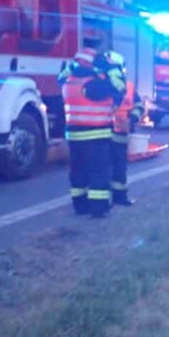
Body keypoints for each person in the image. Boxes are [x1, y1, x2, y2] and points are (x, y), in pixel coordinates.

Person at [58, 49, 125, 217]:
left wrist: (73, 67)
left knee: (78, 172)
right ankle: (99, 208)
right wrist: (111, 69)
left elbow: (60, 77)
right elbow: (119, 87)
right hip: (96, 134)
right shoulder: (93, 84)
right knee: (99, 172)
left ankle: (80, 206)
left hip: (74, 135)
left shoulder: (68, 81)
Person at [109, 54, 142, 206]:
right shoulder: (102, 84)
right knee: (114, 168)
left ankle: (117, 197)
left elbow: (138, 105)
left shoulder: (127, 86)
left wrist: (132, 119)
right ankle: (115, 198)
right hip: (107, 133)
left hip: (116, 133)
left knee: (117, 168)